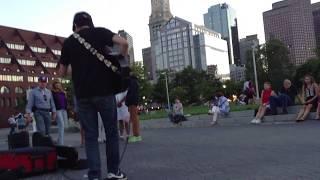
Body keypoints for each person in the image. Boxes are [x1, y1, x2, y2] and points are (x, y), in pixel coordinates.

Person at [59, 12, 128, 180]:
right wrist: (121, 56)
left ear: (75, 26)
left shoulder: (69, 41)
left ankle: (94, 175)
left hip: (83, 95)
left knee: (90, 136)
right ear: (90, 23)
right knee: (111, 133)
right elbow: (123, 42)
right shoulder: (100, 32)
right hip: (105, 92)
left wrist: (77, 67)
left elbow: (62, 73)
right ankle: (113, 172)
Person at [126, 72, 141, 143]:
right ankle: (136, 135)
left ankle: (136, 135)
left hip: (132, 102)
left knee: (133, 118)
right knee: (135, 118)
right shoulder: (135, 82)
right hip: (134, 102)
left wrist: (128, 102)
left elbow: (130, 94)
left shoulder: (132, 83)